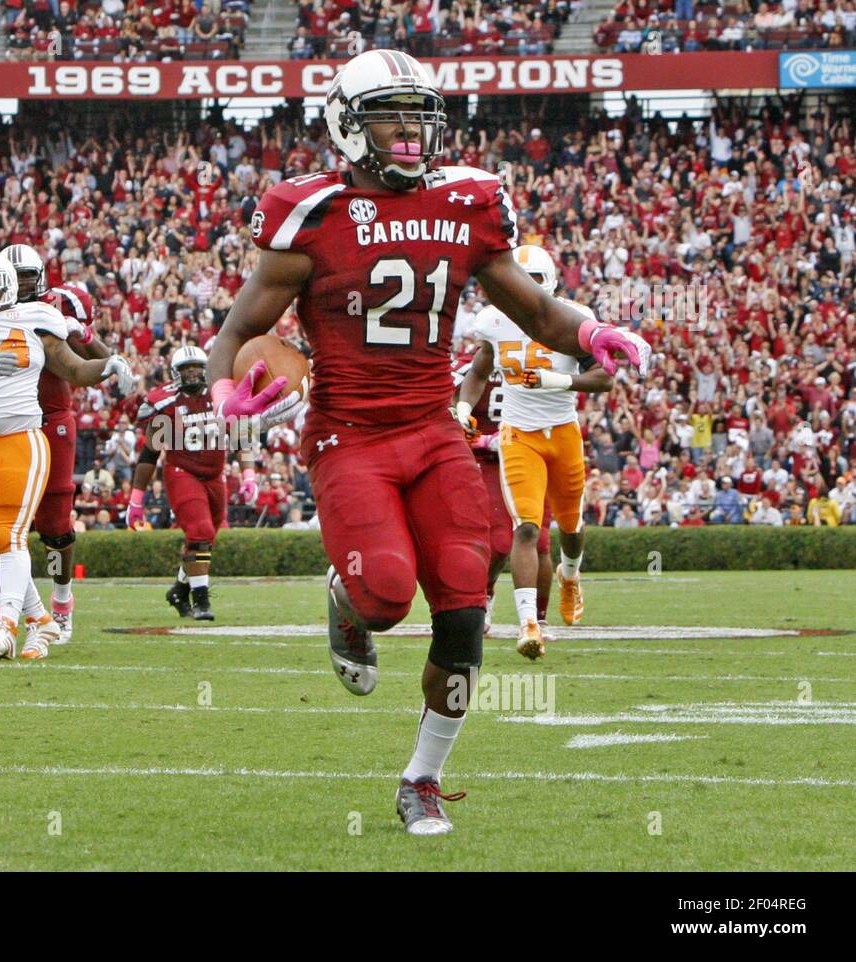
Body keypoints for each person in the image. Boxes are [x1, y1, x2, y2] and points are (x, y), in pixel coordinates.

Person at [205, 49, 646, 837]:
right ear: (347, 122)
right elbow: (241, 331)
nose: (409, 130)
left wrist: (592, 329)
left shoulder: (469, 201)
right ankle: (346, 604)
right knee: (384, 598)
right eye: (388, 114)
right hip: (350, 436)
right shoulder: (310, 212)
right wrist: (225, 391)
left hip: (435, 427)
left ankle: (424, 779)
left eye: (418, 114)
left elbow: (537, 312)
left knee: (463, 603)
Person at [0, 250, 134, 661]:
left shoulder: (37, 319)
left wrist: (109, 366)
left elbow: (74, 369)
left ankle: (5, 623)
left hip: (21, 437)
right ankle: (41, 619)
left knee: (12, 534)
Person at [457, 244, 615, 658]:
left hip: (562, 430)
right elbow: (479, 369)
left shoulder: (574, 318)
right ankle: (529, 624)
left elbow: (604, 378)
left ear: (551, 287)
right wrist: (460, 407)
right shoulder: (493, 320)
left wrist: (558, 382)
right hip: (518, 434)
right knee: (525, 529)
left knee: (571, 526)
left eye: (535, 284)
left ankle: (571, 576)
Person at [2, 244, 112, 645]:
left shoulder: (61, 304)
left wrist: (79, 332)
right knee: (4, 525)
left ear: (41, 276)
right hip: (8, 421)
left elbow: (91, 356)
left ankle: (61, 601)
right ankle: (10, 609)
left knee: (55, 525)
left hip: (51, 418)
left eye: (26, 278)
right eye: (12, 280)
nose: (19, 287)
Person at [128, 345, 255, 621]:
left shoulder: (222, 395)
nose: (193, 373)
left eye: (197, 367)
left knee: (206, 539)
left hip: (215, 475)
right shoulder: (165, 403)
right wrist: (136, 499)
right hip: (181, 471)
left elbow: (242, 436)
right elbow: (150, 453)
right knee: (199, 532)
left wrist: (248, 475)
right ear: (176, 373)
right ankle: (201, 601)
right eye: (186, 369)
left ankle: (179, 589)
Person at [450, 355, 555, 640]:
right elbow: (446, 402)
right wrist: (470, 432)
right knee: (497, 541)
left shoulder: (536, 360)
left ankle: (539, 618)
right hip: (487, 459)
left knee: (541, 539)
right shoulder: (469, 363)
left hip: (530, 453)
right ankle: (485, 592)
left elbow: (556, 405)